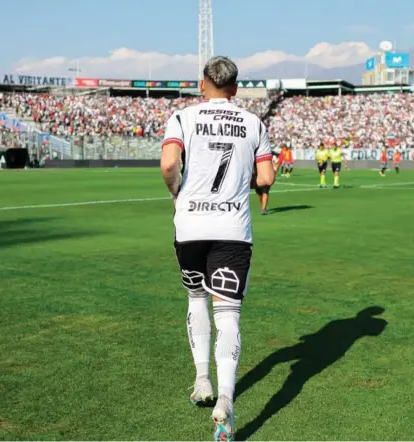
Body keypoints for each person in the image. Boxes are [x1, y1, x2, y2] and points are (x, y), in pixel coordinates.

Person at [160, 55, 276, 442]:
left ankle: (202, 380)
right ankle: (226, 401)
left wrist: (178, 194)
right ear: (236, 88)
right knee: (228, 313)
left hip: (190, 226)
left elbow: (168, 165)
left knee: (195, 298)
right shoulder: (254, 122)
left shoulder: (182, 117)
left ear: (202, 83)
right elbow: (266, 176)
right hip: (232, 228)